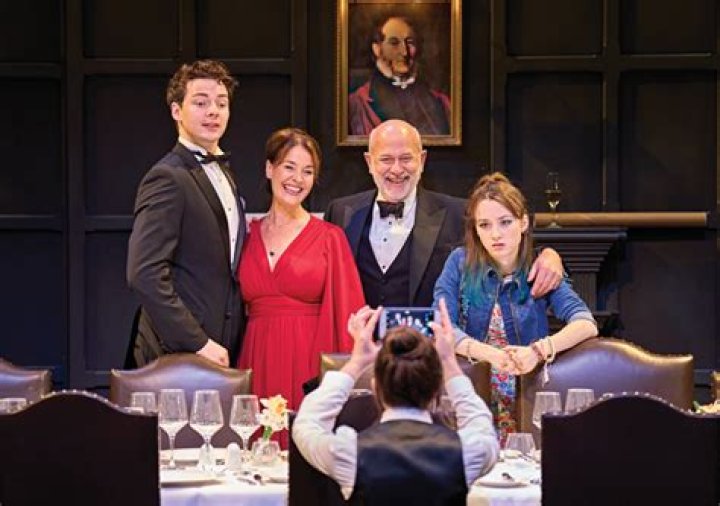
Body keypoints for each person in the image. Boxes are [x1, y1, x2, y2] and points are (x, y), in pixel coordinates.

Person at [325, 119, 564, 310]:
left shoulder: (459, 213)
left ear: (422, 160)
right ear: (369, 162)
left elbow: (511, 250)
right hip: (357, 347)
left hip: (430, 349)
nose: (396, 169)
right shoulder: (341, 212)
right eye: (386, 159)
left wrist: (549, 255)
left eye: (406, 158)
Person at [433, 172, 598, 442]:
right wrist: (489, 354)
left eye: (505, 222)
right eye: (484, 225)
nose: (495, 234)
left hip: (526, 391)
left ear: (523, 223)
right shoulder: (460, 263)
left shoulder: (540, 267)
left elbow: (586, 324)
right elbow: (442, 327)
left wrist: (538, 351)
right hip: (472, 391)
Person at [293, 299, 499, 504]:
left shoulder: (350, 453)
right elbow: (479, 422)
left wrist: (356, 363)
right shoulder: (468, 452)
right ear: (436, 390)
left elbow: (308, 422)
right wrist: (449, 363)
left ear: (375, 388)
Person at [236, 127, 365, 415]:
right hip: (256, 357)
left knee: (303, 436)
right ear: (269, 169)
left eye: (308, 172)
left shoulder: (330, 237)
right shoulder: (246, 236)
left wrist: (339, 383)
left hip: (308, 361)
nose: (297, 179)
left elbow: (348, 315)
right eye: (289, 167)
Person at [127, 59, 244, 367]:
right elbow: (144, 273)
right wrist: (198, 342)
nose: (213, 111)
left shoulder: (225, 174)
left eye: (221, 103)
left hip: (220, 348)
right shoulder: (167, 177)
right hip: (174, 352)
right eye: (201, 103)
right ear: (176, 111)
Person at [349, 15, 451, 136]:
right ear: (377, 49)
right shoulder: (359, 102)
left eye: (410, 42)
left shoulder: (440, 101)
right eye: (394, 43)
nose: (404, 52)